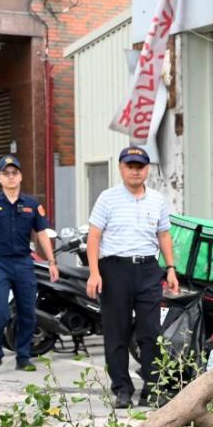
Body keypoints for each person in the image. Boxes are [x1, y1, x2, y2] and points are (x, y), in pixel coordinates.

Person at [86, 146, 180, 409]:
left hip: (148, 269)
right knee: (116, 332)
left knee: (151, 331)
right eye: (130, 166)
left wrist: (170, 268)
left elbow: (164, 235)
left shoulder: (157, 200)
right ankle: (122, 389)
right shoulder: (107, 198)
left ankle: (153, 389)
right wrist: (94, 273)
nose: (135, 171)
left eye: (140, 166)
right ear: (121, 168)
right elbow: (94, 236)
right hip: (114, 270)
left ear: (147, 170)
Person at [0, 155, 58, 372]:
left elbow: (42, 234)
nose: (11, 177)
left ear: (20, 176)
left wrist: (51, 262)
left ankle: (23, 356)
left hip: (23, 263)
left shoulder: (31, 204)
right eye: (6, 173)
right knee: (0, 311)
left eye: (14, 173)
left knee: (27, 312)